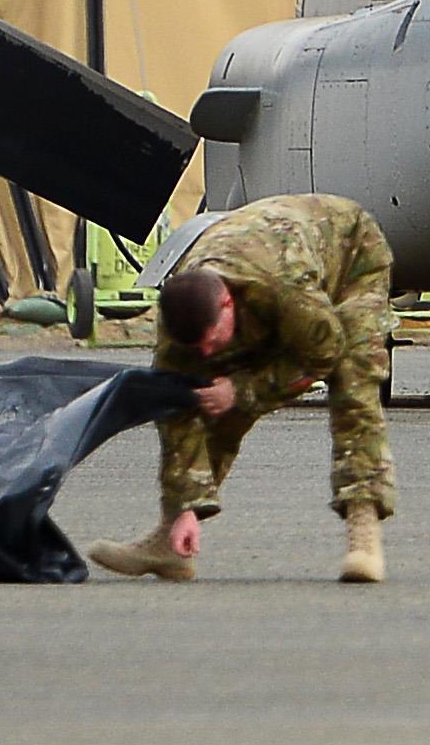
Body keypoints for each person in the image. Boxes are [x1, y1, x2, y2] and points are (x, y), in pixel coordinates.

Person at [98, 192, 397, 585]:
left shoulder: (282, 285)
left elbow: (323, 354)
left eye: (210, 341)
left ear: (226, 303)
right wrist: (185, 506)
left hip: (350, 255)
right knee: (206, 395)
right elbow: (177, 411)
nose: (206, 353)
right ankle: (171, 543)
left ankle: (364, 532)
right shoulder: (180, 325)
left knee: (353, 379)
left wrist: (242, 391)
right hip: (269, 266)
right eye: (197, 348)